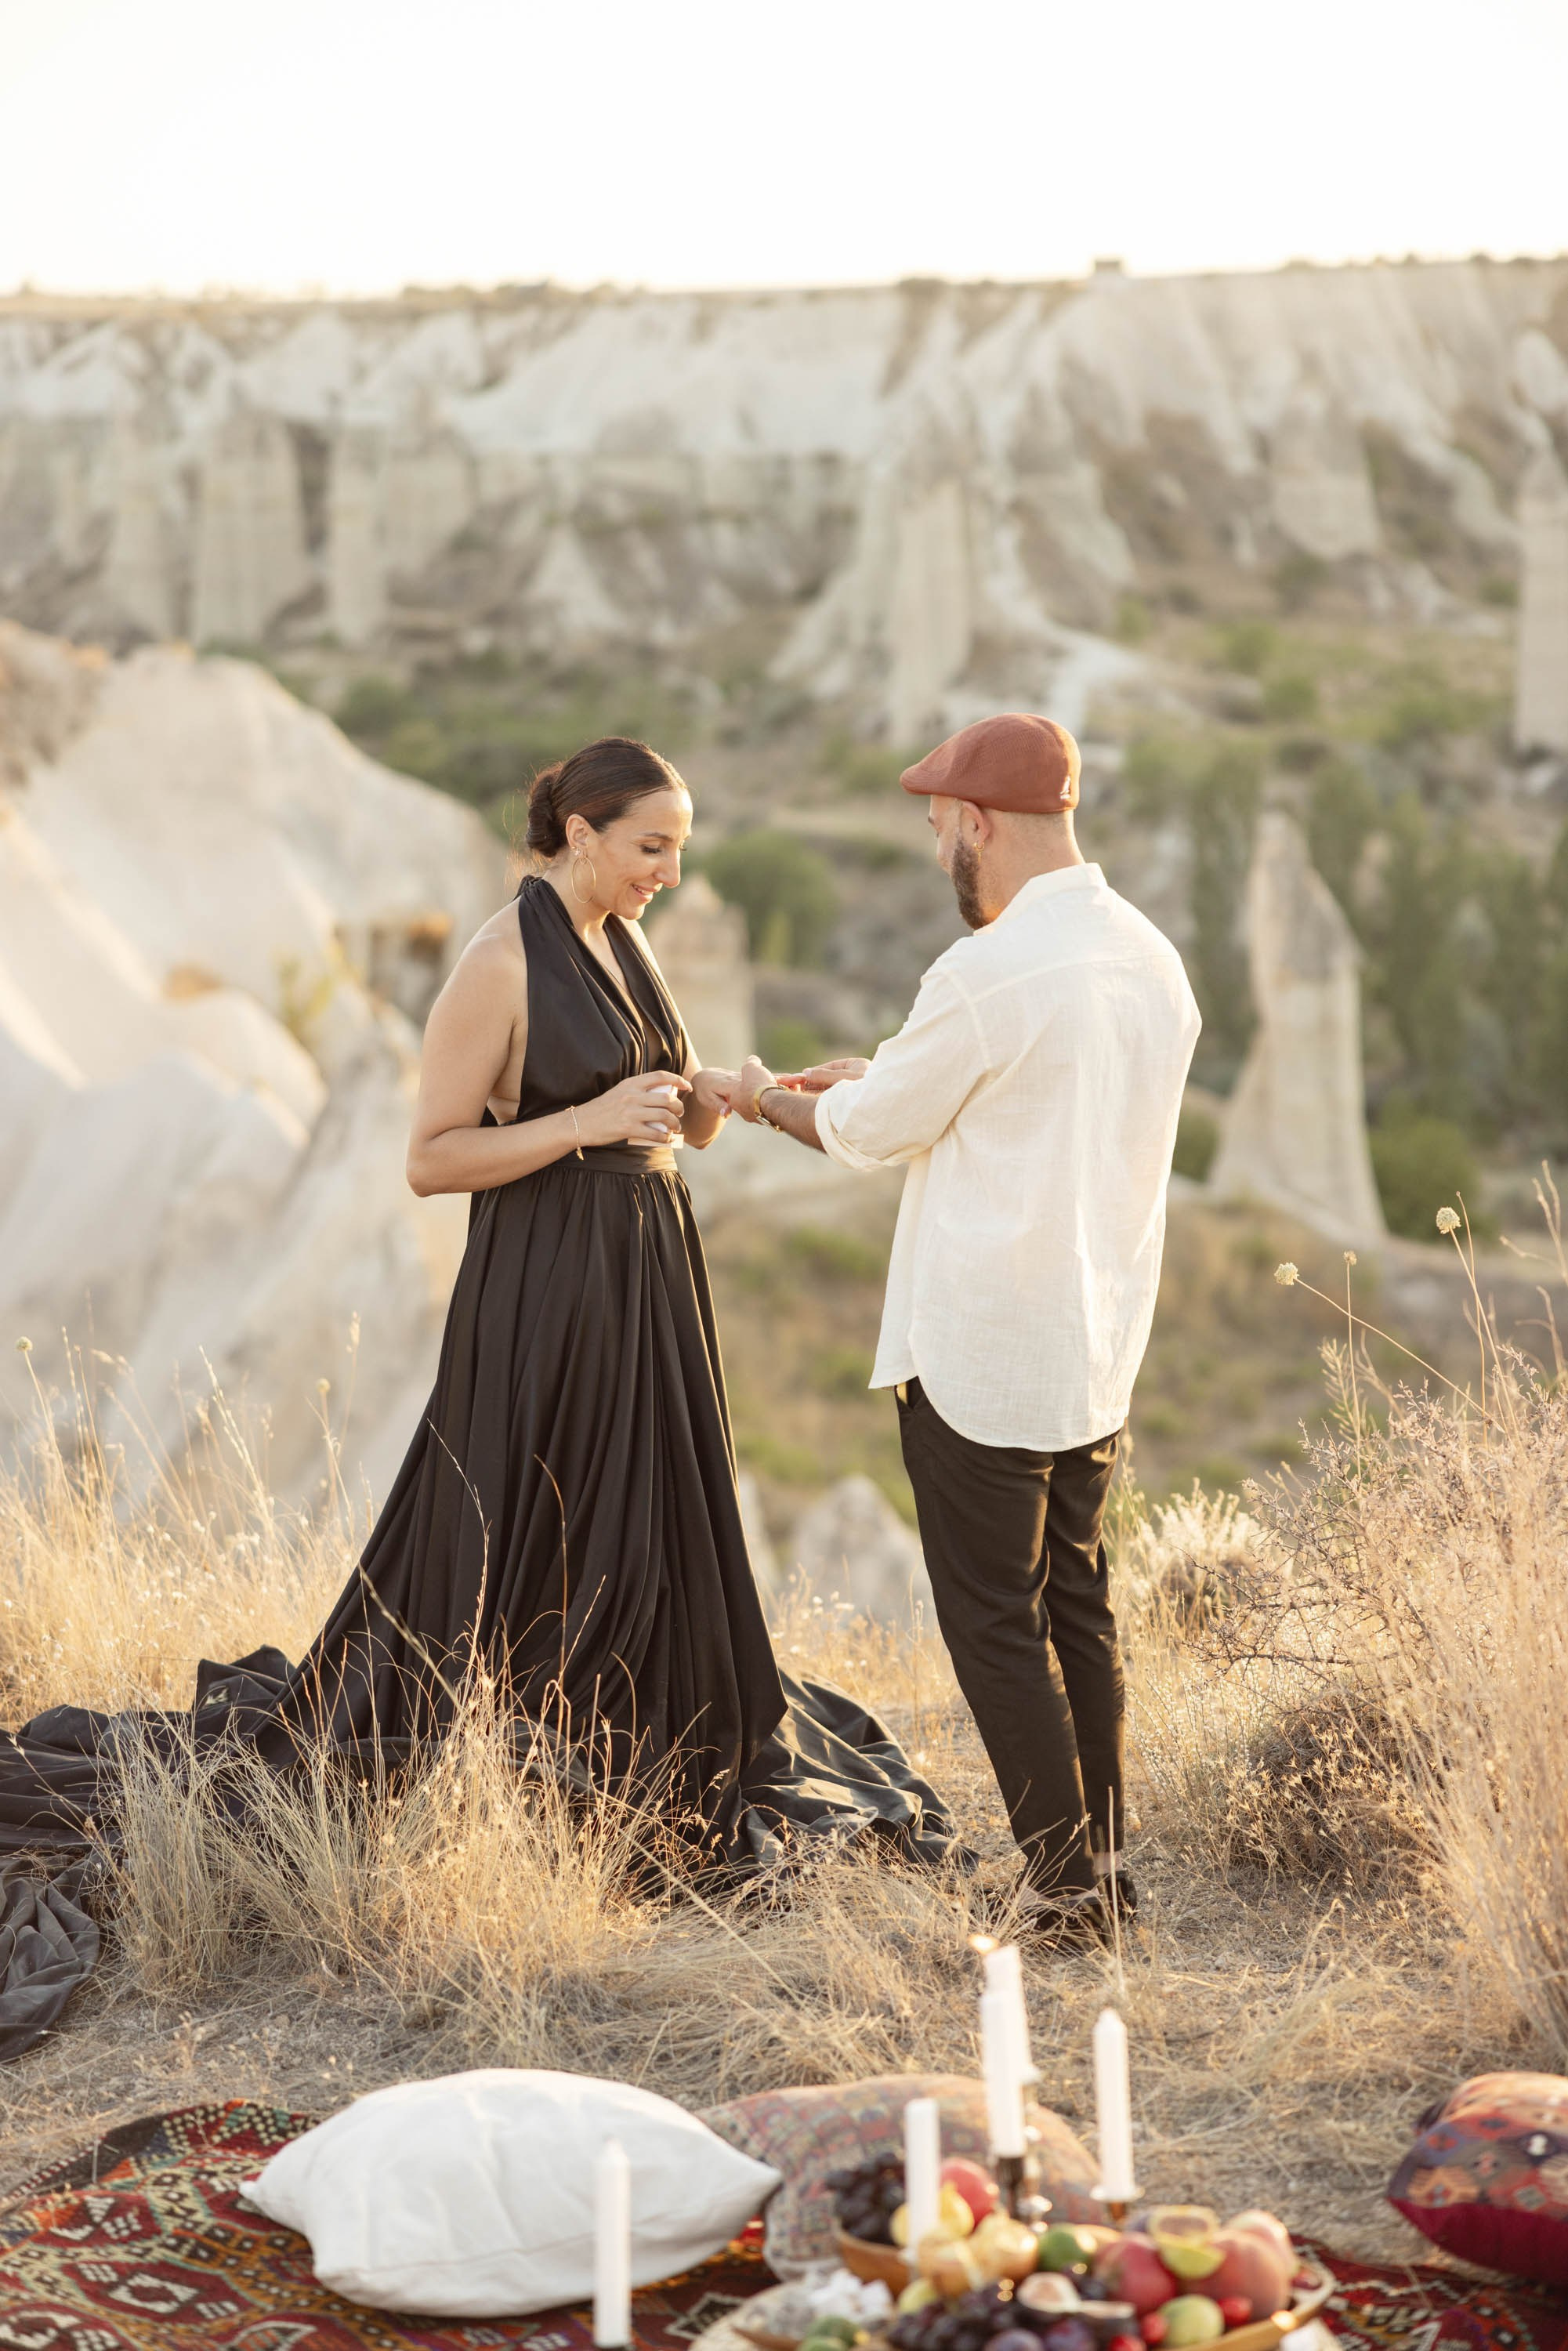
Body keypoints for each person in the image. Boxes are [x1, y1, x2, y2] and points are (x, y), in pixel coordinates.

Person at [0, 737, 954, 2056]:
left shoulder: (628, 939)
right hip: (548, 1286)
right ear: (574, 827)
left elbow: (667, 1121)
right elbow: (430, 1159)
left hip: (647, 1280)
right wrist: (586, 1122)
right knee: (530, 1518)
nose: (670, 872)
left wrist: (721, 1096)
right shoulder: (499, 962)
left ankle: (626, 1751)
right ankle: (516, 1762)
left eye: (679, 849)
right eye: (650, 846)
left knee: (644, 1517)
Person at [727, 714, 1200, 1940]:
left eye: (944, 832)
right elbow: (993, 1096)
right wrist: (870, 1075)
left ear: (980, 824)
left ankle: (1058, 1895)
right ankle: (1099, 1868)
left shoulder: (984, 972)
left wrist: (763, 1098)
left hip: (984, 1347)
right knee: (1077, 1607)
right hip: (1094, 1339)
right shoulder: (1149, 957)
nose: (944, 852)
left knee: (994, 1624)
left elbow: (873, 1134)